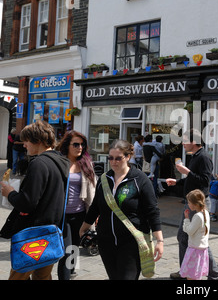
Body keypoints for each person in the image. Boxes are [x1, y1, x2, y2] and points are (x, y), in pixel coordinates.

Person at [79, 139, 164, 280]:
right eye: (110, 158)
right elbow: (95, 207)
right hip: (106, 242)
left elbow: (152, 211)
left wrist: (159, 241)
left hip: (131, 242)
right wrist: (83, 228)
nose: (114, 162)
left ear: (128, 157)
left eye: (118, 158)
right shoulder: (104, 179)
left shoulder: (140, 179)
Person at [0, 120, 70, 280]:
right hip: (50, 233)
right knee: (42, 276)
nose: (24, 145)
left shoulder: (39, 163)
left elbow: (27, 203)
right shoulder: (61, 161)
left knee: (18, 275)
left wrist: (9, 193)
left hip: (32, 236)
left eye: (26, 141)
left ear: (37, 141)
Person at [166, 128, 218, 280]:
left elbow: (204, 181)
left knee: (197, 241)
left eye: (185, 140)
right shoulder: (196, 156)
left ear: (194, 142)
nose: (183, 143)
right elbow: (192, 180)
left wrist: (187, 172)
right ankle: (186, 271)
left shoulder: (203, 157)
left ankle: (212, 275)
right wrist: (177, 181)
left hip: (197, 205)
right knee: (186, 238)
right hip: (191, 203)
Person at [55, 130, 97, 280]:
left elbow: (93, 190)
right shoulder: (59, 162)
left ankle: (71, 272)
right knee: (66, 251)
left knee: (74, 248)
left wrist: (95, 213)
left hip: (80, 213)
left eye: (82, 144)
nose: (80, 147)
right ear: (67, 145)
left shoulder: (86, 163)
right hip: (62, 214)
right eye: (76, 144)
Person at [179, 189, 210, 280]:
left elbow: (189, 231)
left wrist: (186, 219)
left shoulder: (198, 216)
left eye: (189, 202)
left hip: (194, 250)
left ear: (195, 204)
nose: (188, 204)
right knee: (196, 275)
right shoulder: (206, 213)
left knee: (191, 276)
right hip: (202, 249)